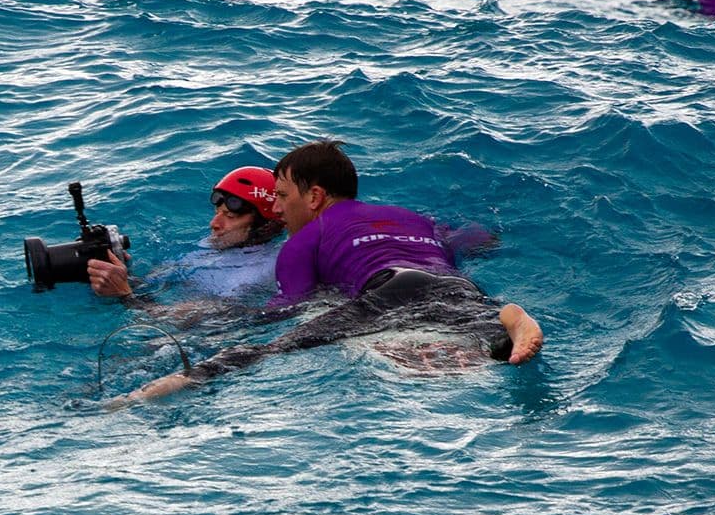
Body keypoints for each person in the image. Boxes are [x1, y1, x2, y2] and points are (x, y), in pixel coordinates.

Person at [112, 140, 542, 404]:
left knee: (265, 351)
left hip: (390, 291)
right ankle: (507, 318)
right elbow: (479, 238)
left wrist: (221, 325)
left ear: (314, 196)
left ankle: (167, 387)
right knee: (477, 325)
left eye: (281, 196)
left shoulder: (306, 239)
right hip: (457, 287)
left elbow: (285, 311)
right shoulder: (412, 217)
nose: (277, 210)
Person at [87, 165, 284, 303]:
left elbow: (184, 326)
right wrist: (123, 274)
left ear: (264, 226)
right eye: (217, 213)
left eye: (230, 216)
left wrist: (125, 295)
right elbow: (154, 284)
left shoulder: (254, 276)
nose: (214, 224)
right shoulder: (215, 245)